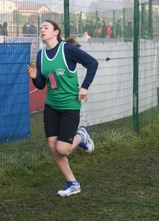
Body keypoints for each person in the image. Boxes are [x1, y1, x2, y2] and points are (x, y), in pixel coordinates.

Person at [26, 20, 98, 197]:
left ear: (56, 32)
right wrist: (35, 77)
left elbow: (92, 63)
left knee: (63, 149)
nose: (42, 30)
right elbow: (43, 84)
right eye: (41, 28)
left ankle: (81, 135)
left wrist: (85, 87)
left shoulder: (67, 49)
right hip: (51, 105)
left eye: (46, 27)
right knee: (52, 147)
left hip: (69, 106)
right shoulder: (41, 55)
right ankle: (73, 183)